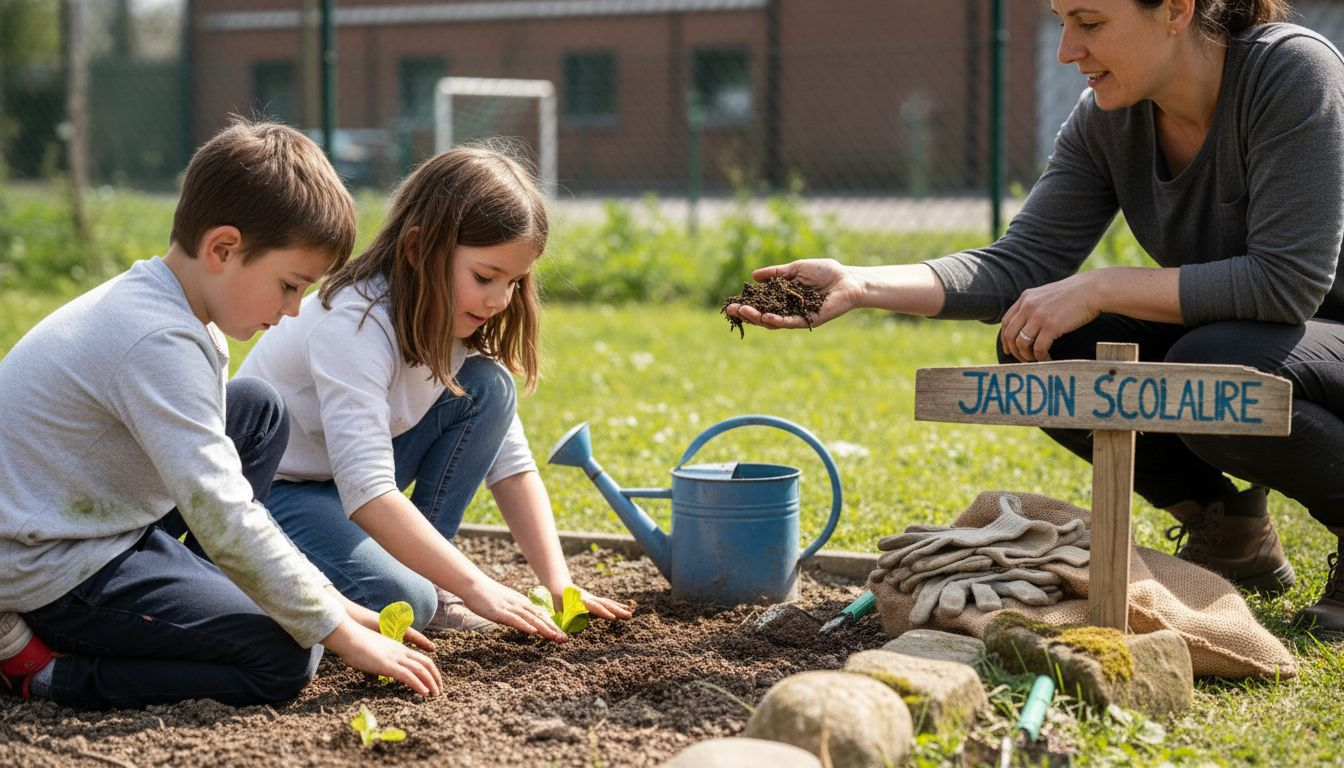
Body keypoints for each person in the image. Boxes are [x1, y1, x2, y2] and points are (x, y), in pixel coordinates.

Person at [727, 0, 1344, 637]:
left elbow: (1287, 282)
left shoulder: (1291, 72)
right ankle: (1230, 529)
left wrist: (1102, 284)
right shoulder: (1110, 117)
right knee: (1041, 338)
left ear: (1176, 11)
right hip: (1259, 339)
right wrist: (861, 285)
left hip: (1318, 336)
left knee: (1218, 365)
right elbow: (1022, 263)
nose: (1066, 50)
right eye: (1062, 22)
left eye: (1091, 23)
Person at [0, 120, 443, 708]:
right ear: (223, 249)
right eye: (289, 285)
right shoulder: (156, 342)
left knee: (257, 414)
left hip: (94, 521)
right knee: (286, 655)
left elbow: (221, 497)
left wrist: (326, 601)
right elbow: (223, 512)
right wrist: (334, 628)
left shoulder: (172, 306)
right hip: (53, 570)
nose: (291, 311)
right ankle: (52, 675)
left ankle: (202, 597)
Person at [236, 146, 633, 639]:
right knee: (407, 602)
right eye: (485, 277)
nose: (499, 299)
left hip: (346, 488)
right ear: (419, 250)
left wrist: (559, 586)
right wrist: (476, 585)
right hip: (281, 493)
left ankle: (432, 577)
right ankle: (410, 585)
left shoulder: (450, 315)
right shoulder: (355, 323)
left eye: (514, 281)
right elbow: (368, 492)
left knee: (489, 387)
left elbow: (510, 468)